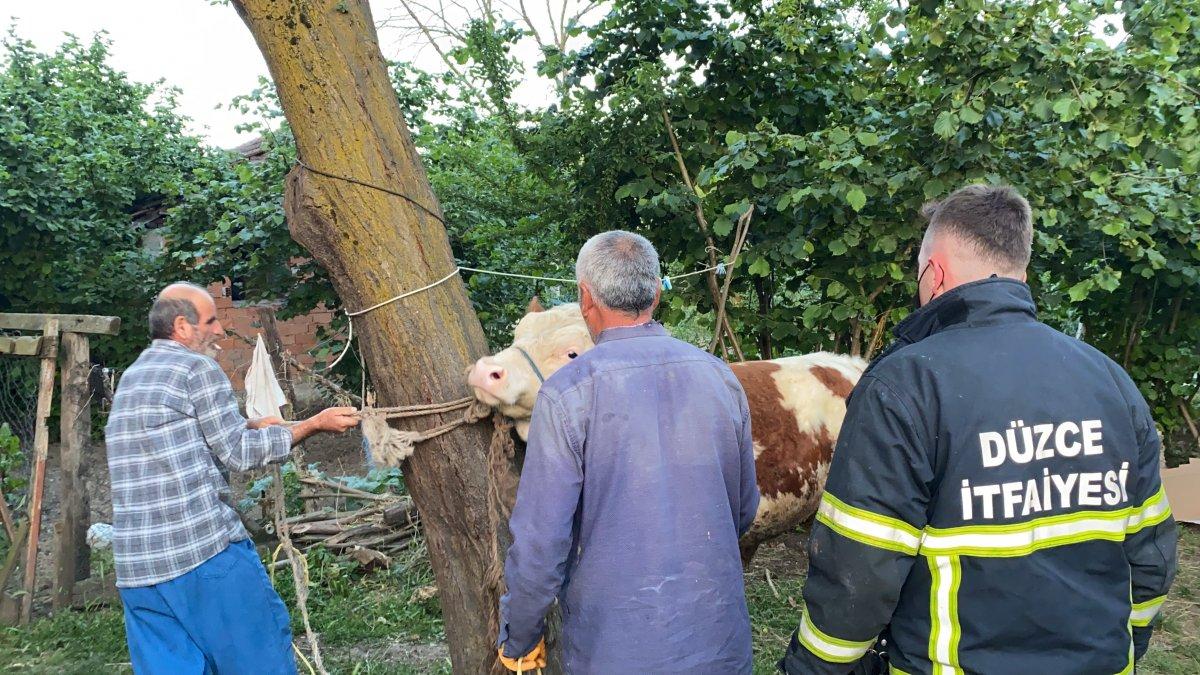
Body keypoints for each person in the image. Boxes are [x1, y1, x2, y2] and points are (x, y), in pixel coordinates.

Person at [779, 185, 1178, 674]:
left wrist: (814, 666)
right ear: (1021, 271)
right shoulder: (1109, 378)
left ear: (935, 271)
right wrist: (1126, 644)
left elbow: (860, 567)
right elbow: (1152, 554)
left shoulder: (906, 383)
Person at [496, 231, 760, 674]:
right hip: (717, 644)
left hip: (615, 651)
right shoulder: (720, 378)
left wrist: (520, 636)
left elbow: (541, 544)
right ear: (656, 294)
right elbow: (743, 510)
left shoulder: (568, 393)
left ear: (586, 298)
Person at [105, 282, 359, 674]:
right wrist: (311, 424)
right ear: (182, 328)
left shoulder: (134, 377)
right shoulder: (196, 367)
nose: (220, 330)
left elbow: (183, 434)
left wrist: (254, 423)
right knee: (259, 661)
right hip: (201, 556)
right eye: (211, 320)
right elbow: (238, 453)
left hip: (138, 572)